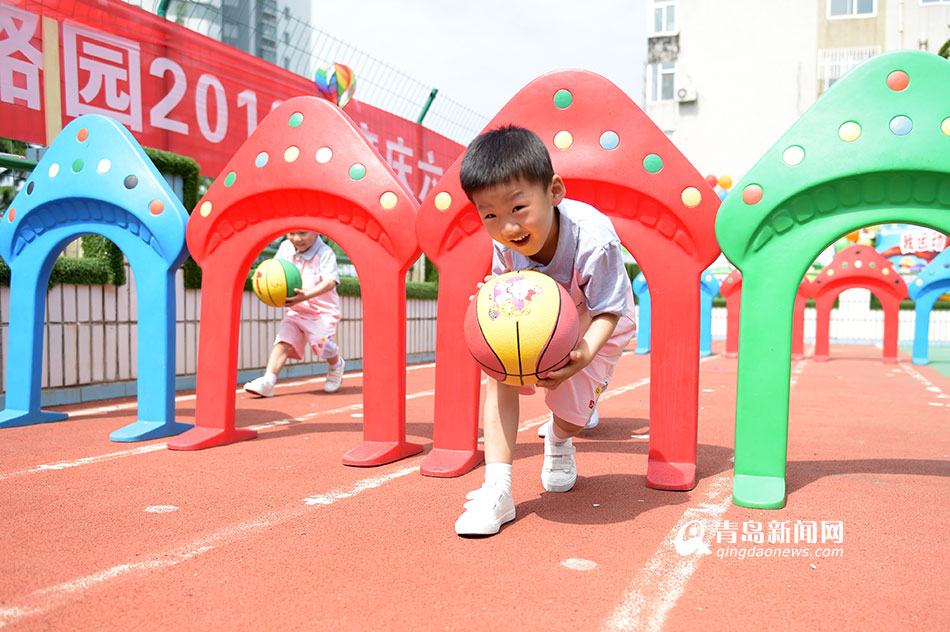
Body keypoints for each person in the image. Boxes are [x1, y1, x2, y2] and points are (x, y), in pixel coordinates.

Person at [454, 125, 637, 536]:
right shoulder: (506, 242)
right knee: (497, 371)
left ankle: (559, 440)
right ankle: (496, 488)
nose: (507, 227)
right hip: (543, 318)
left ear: (554, 192)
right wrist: (493, 301)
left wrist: (584, 354)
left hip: (598, 320)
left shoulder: (595, 240)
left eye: (518, 208)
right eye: (490, 215)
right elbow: (506, 286)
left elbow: (610, 308)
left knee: (571, 414)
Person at [244, 231, 346, 397]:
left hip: (322, 313)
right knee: (283, 340)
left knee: (323, 344)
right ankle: (268, 380)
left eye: (303, 233)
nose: (297, 239)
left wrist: (305, 295)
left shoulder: (325, 252)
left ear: (316, 231)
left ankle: (336, 365)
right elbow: (273, 271)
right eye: (292, 233)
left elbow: (330, 282)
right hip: (296, 311)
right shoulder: (285, 247)